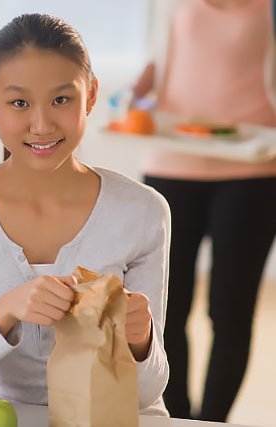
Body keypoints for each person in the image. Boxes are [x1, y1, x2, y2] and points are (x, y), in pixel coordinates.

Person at [0, 13, 171, 415]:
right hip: (17, 417)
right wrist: (5, 310)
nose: (41, 124)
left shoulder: (142, 210)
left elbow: (146, 393)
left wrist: (140, 342)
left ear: (90, 96)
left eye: (61, 99)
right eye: (19, 102)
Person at [132, 0, 276, 421]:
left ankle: (213, 421)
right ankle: (177, 417)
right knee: (163, 307)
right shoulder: (173, 4)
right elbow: (158, 63)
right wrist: (131, 97)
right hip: (170, 164)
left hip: (254, 169)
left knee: (230, 309)